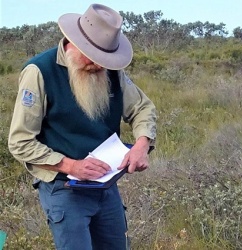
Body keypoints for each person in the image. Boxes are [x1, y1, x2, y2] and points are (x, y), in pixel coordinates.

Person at [8, 3, 157, 249]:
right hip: (64, 188)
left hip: (105, 186)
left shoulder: (110, 70)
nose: (99, 65)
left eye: (104, 59)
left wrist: (142, 144)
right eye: (94, 57)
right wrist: (72, 166)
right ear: (73, 42)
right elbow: (20, 142)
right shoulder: (39, 72)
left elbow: (143, 107)